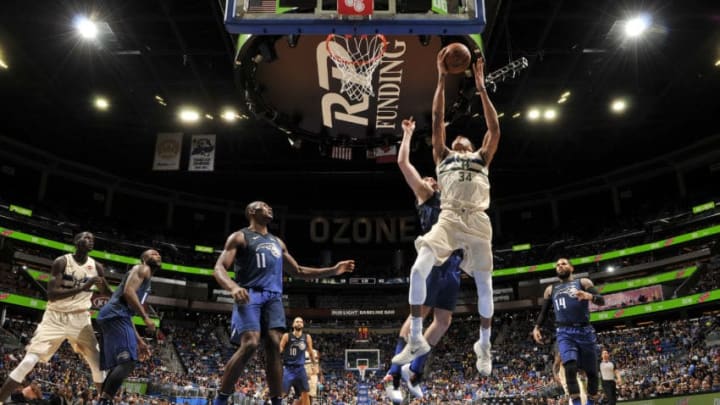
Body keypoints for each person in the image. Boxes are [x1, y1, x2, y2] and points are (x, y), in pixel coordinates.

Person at [392, 50, 500, 378]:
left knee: (484, 285)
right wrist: (441, 76)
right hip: (450, 218)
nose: (457, 139)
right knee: (418, 265)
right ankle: (413, 340)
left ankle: (484, 344)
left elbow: (494, 129)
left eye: (461, 138)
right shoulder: (442, 157)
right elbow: (437, 117)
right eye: (454, 138)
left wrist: (481, 87)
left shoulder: (482, 156)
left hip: (478, 220)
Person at [212, 201, 355, 405]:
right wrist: (233, 287)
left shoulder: (278, 242)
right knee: (251, 343)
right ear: (252, 212)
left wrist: (333, 270)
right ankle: (221, 399)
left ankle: (277, 401)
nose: (269, 208)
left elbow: (298, 271)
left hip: (274, 297)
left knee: (273, 345)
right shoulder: (240, 236)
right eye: (263, 206)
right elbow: (219, 268)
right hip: (250, 294)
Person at [383, 116, 464, 402]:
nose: (430, 180)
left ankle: (413, 372)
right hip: (435, 257)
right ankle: (392, 374)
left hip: (454, 262)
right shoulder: (426, 196)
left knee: (444, 321)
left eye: (432, 178)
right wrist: (407, 134)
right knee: (420, 314)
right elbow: (404, 165)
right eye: (427, 179)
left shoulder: (452, 200)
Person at [0, 232, 110, 403]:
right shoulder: (62, 262)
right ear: (76, 241)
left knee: (98, 365)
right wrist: (84, 287)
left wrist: (108, 288)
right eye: (86, 237)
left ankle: (105, 402)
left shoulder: (97, 267)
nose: (90, 241)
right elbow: (52, 295)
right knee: (28, 361)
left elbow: (107, 293)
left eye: (92, 239)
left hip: (81, 319)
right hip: (55, 317)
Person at [533, 258, 605, 405]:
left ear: (571, 268)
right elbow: (544, 312)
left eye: (563, 263)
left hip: (584, 330)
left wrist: (589, 296)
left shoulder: (583, 282)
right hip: (564, 332)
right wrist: (536, 327)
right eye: (557, 265)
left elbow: (601, 300)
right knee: (569, 368)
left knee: (592, 373)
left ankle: (590, 403)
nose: (560, 266)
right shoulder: (550, 290)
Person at [96, 249, 162, 405]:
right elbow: (128, 292)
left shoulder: (146, 280)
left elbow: (129, 313)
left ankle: (103, 399)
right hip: (116, 314)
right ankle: (104, 401)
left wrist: (139, 341)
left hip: (116, 315)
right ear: (143, 259)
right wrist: (145, 317)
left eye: (158, 254)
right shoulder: (142, 268)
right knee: (128, 362)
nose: (157, 255)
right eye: (152, 254)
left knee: (120, 364)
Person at [279, 317, 316, 405]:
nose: (299, 323)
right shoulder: (287, 336)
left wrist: (314, 364)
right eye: (297, 321)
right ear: (293, 325)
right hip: (288, 369)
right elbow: (280, 348)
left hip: (300, 369)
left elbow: (311, 352)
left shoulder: (307, 337)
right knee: (282, 393)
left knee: (305, 392)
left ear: (303, 325)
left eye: (301, 322)